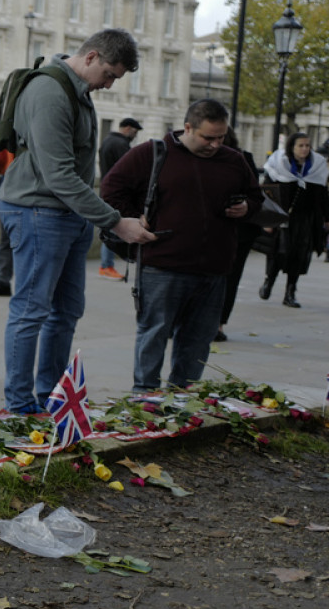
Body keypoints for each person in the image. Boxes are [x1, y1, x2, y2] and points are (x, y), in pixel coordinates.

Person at [0, 29, 155, 414]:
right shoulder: (50, 92)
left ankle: (49, 398)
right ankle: (19, 407)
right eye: (110, 75)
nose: (109, 84)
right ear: (92, 57)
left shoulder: (77, 90)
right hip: (38, 212)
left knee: (66, 311)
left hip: (66, 215)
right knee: (31, 311)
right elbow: (59, 176)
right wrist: (116, 222)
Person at [101, 99, 260, 391]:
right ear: (187, 127)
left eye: (221, 137)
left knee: (198, 340)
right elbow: (110, 190)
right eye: (208, 137)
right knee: (154, 333)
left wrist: (246, 207)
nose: (215, 144)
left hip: (214, 268)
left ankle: (182, 398)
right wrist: (134, 219)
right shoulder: (152, 153)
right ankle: (145, 397)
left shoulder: (233, 160)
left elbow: (256, 197)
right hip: (163, 264)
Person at [258, 132, 329, 308]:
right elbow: (268, 192)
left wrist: (327, 218)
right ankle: (269, 281)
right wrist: (267, 220)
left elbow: (322, 195)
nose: (305, 149)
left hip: (305, 218)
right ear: (292, 147)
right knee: (280, 251)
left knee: (299, 255)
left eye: (307, 145)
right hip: (282, 216)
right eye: (301, 145)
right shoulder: (278, 164)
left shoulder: (317, 166)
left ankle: (290, 292)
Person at [217, 128, 264, 341]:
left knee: (230, 277)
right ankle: (215, 324)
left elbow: (256, 196)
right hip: (208, 229)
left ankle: (217, 324)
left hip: (238, 230)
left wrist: (245, 205)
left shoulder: (242, 159)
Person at [96, 117, 143, 280]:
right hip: (118, 195)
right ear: (128, 128)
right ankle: (106, 266)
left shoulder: (107, 140)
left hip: (105, 190)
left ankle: (106, 265)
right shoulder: (121, 144)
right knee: (114, 229)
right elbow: (132, 171)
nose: (134, 136)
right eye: (135, 132)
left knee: (109, 227)